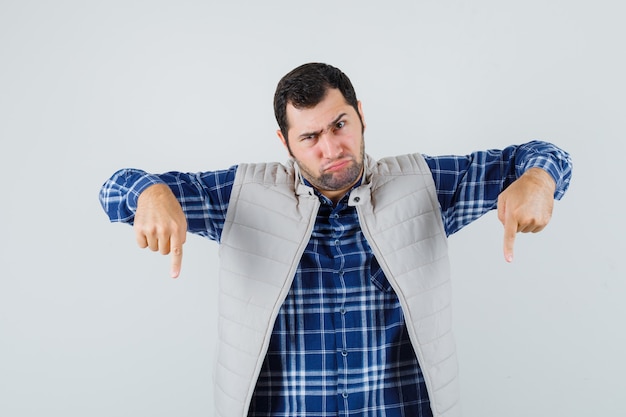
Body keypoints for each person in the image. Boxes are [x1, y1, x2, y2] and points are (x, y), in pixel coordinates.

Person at [99, 62, 572, 417]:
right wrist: (152, 192)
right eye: (310, 137)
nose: (331, 149)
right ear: (285, 143)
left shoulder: (425, 184)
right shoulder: (241, 194)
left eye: (339, 125)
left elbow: (541, 155)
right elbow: (115, 187)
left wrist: (538, 181)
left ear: (361, 115)